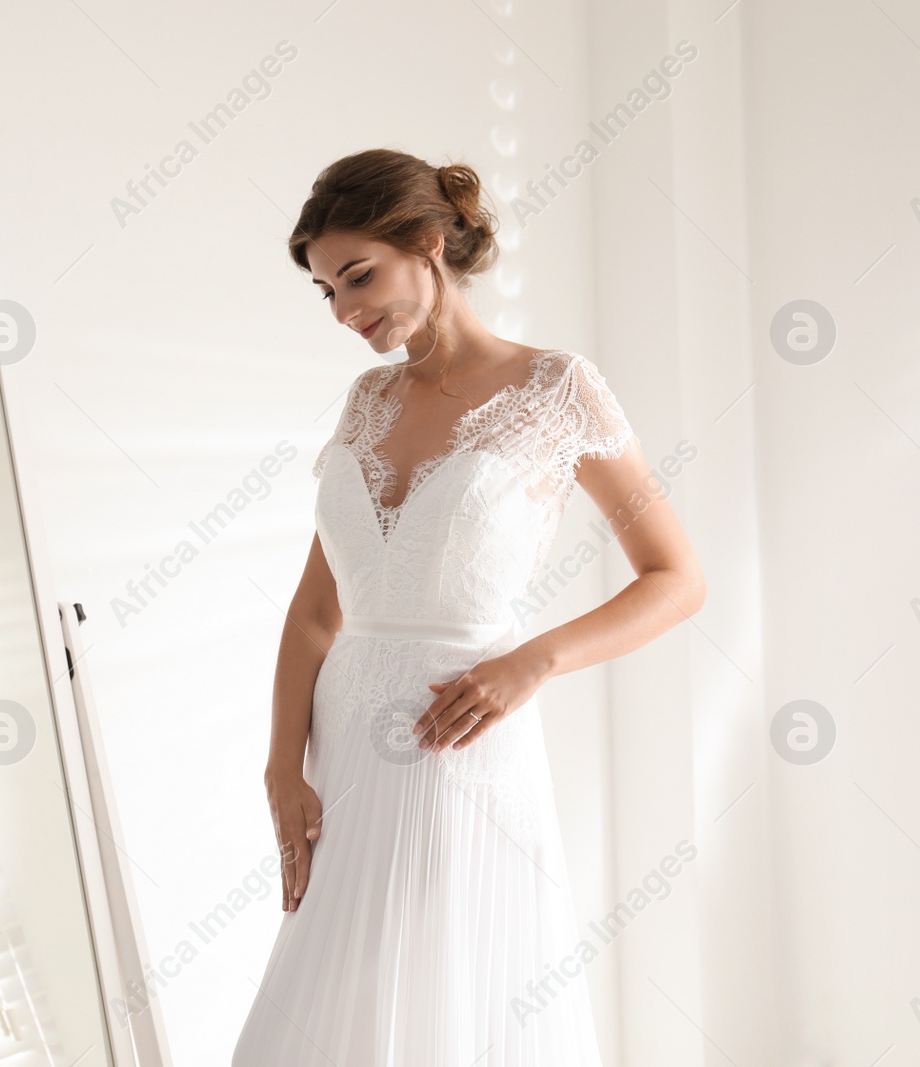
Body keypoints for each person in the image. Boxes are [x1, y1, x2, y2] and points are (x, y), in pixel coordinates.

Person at [232, 148, 705, 1064]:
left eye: (358, 276)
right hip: (344, 755)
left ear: (429, 241)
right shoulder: (366, 401)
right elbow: (314, 613)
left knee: (454, 998)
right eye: (327, 290)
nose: (344, 310)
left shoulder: (559, 389)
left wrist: (534, 659)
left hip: (463, 741)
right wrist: (281, 764)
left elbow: (675, 577)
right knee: (326, 1010)